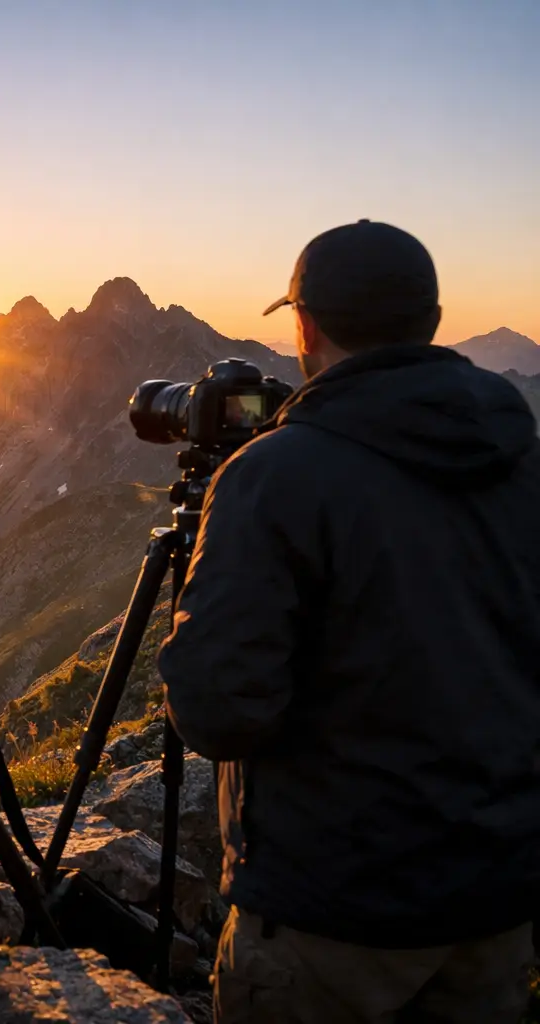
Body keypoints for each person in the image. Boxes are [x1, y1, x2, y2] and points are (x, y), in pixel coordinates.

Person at [158, 220, 540, 1023]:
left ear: (305, 325)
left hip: (328, 918)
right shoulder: (520, 456)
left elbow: (218, 708)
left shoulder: (274, 475)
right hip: (497, 906)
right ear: (431, 320)